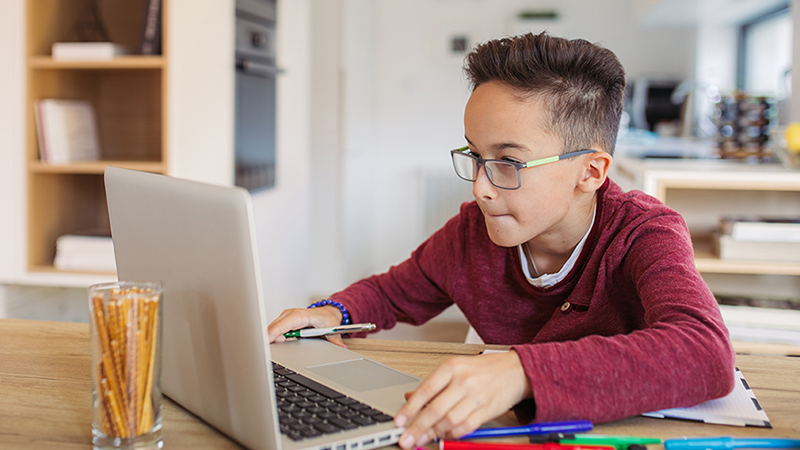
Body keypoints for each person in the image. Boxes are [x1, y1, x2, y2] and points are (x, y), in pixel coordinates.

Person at [267, 32, 735, 450]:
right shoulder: (472, 233)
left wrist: (521, 371)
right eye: (475, 155)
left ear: (590, 172)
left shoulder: (644, 233)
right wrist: (332, 313)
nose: (480, 188)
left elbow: (706, 353)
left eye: (508, 162)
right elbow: (392, 292)